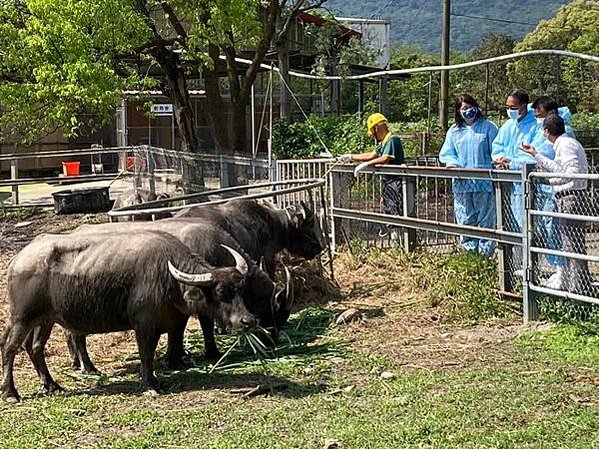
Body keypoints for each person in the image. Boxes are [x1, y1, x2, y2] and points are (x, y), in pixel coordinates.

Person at [521, 115, 591, 294]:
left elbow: (572, 173)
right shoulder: (563, 143)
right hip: (567, 195)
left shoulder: (566, 145)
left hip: (571, 196)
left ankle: (578, 288)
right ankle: (577, 285)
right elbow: (561, 169)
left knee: (572, 244)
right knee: (570, 244)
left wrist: (551, 180)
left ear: (546, 131)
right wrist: (536, 155)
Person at [439, 94, 498, 256]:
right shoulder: (454, 131)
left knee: (485, 219)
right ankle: (470, 255)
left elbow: (497, 151)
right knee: (465, 218)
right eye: (464, 108)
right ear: (458, 111)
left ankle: (485, 255)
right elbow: (447, 153)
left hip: (484, 181)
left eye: (470, 106)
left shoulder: (488, 127)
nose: (468, 111)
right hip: (462, 182)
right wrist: (452, 163)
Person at [528, 96, 575, 287]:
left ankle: (563, 271)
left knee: (557, 230)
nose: (538, 119)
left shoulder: (565, 136)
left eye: (540, 115)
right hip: (544, 186)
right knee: (547, 228)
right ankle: (557, 270)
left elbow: (563, 166)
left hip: (558, 187)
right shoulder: (540, 133)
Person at [339, 113, 405, 216]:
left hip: (396, 181)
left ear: (376, 128)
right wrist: (351, 157)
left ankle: (396, 231)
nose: (373, 136)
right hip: (388, 182)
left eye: (373, 132)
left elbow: (385, 158)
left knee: (394, 211)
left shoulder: (392, 139)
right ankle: (390, 230)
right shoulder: (384, 142)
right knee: (386, 208)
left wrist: (366, 164)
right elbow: (371, 155)